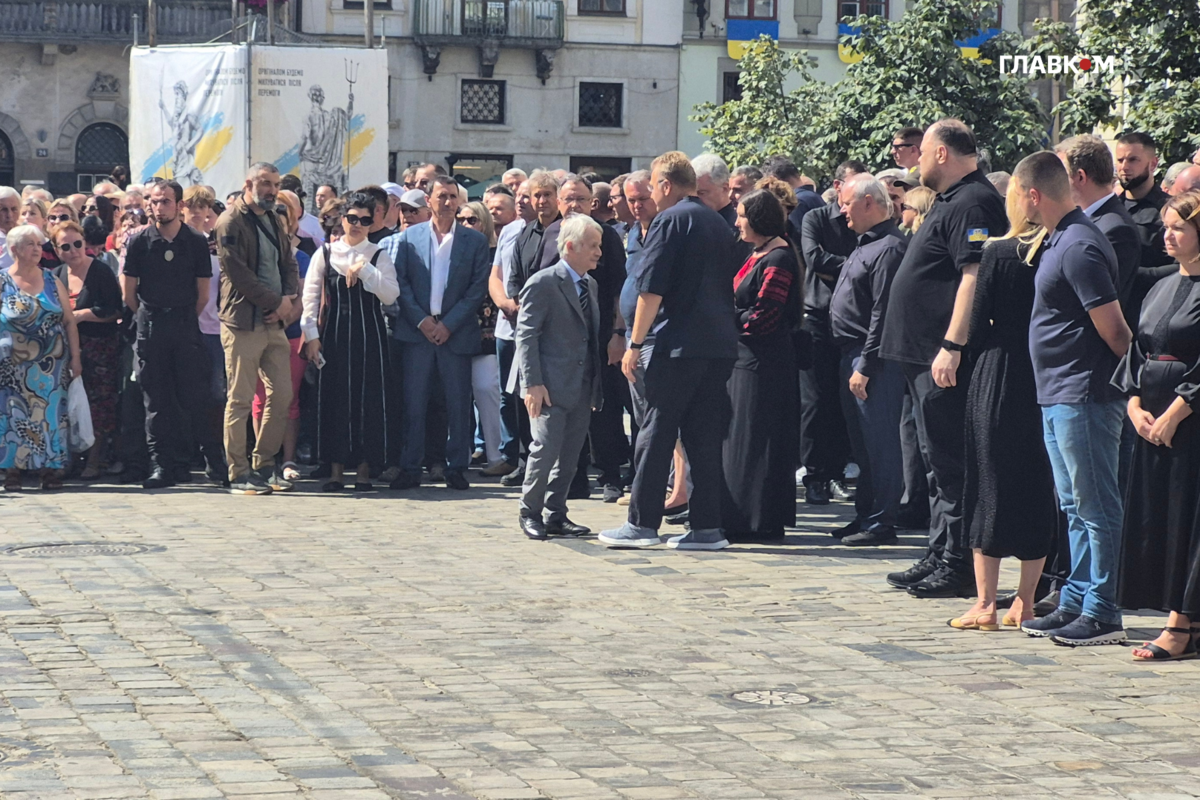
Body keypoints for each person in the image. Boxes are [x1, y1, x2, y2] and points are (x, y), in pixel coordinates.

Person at [880, 119, 1009, 599]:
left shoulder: (974, 200)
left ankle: (958, 564)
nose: (914, 160)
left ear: (941, 153)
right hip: (921, 355)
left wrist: (953, 346)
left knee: (952, 465)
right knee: (935, 463)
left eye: (922, 151)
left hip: (942, 356)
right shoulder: (951, 199)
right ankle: (940, 552)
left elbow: (973, 277)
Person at [1010, 151, 1131, 647]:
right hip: (1059, 393)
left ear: (1033, 195)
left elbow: (1115, 331)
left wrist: (1133, 387)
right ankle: (1077, 599)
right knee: (1075, 505)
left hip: (1084, 393)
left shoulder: (1079, 244)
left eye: (1017, 195)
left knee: (1096, 505)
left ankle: (1102, 610)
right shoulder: (1059, 238)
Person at [599, 151, 739, 551]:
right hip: (717, 345)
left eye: (653, 187)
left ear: (665, 184)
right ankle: (707, 527)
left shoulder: (669, 220)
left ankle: (642, 524)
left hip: (676, 346)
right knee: (702, 436)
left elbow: (652, 288)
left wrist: (634, 343)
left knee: (655, 432)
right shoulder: (716, 221)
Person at [948, 182, 1058, 631]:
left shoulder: (997, 251)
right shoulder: (1054, 248)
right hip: (1042, 371)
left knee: (986, 481)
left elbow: (977, 322)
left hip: (998, 369)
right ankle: (1025, 602)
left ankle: (986, 603)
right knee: (1035, 482)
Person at [1114, 190, 1200, 661]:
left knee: (1189, 518)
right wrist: (1133, 404)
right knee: (1161, 517)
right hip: (1151, 419)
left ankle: (1179, 625)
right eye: (1165, 227)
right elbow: (1138, 350)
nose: (1167, 236)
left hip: (1190, 422)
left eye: (1178, 228)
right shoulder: (1161, 285)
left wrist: (1176, 411)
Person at [384, 175, 491, 491]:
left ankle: (456, 467)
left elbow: (477, 288)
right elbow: (401, 282)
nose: (447, 202)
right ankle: (410, 467)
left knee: (457, 405)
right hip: (417, 334)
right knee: (414, 404)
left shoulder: (474, 241)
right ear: (428, 200)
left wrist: (448, 324)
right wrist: (422, 321)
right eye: (441, 196)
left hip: (455, 333)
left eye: (452, 197)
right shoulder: (409, 237)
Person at [301, 190, 399, 491]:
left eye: (364, 220)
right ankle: (335, 472)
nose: (357, 225)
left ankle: (364, 473)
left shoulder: (379, 254)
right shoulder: (325, 253)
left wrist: (365, 269)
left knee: (368, 401)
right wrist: (312, 337)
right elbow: (310, 298)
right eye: (352, 218)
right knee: (335, 401)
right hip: (334, 335)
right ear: (342, 219)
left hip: (370, 338)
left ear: (372, 223)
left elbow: (390, 295)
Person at [122, 180, 217, 490]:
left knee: (194, 396)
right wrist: (150, 316)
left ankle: (210, 462)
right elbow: (129, 293)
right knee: (156, 400)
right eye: (154, 201)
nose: (158, 207)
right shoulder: (139, 241)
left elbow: (203, 293)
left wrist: (182, 316)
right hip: (151, 324)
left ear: (179, 205)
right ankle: (160, 464)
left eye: (165, 201)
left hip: (184, 322)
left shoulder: (195, 241)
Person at [829, 174, 908, 546]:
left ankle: (881, 521)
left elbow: (883, 312)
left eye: (846, 203)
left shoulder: (889, 248)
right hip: (851, 354)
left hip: (871, 358)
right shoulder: (865, 244)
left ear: (868, 202)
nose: (841, 210)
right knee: (862, 445)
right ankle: (866, 514)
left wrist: (866, 365)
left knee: (880, 443)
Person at [515, 214, 605, 540]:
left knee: (570, 455)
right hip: (548, 385)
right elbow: (527, 335)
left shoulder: (589, 284)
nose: (598, 252)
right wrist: (532, 383)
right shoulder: (543, 283)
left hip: (581, 384)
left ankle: (556, 513)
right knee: (545, 450)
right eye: (592, 246)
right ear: (570, 246)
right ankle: (530, 511)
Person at [214, 163, 301, 495]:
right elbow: (238, 273)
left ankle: (264, 465)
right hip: (243, 321)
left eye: (276, 185)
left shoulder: (275, 218)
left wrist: (287, 299)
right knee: (239, 399)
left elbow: (289, 262)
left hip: (274, 321)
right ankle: (238, 473)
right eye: (265, 183)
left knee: (282, 395)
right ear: (248, 183)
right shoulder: (230, 221)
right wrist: (275, 302)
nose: (271, 190)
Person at [721, 189, 801, 542]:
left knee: (757, 441)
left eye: (742, 215)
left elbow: (765, 316)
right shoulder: (758, 254)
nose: (737, 222)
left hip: (764, 363)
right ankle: (737, 515)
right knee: (742, 439)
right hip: (745, 359)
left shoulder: (779, 258)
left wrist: (729, 316)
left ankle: (759, 520)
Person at [798, 160, 866, 506]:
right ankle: (815, 475)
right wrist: (857, 265)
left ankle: (837, 471)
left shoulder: (865, 219)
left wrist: (849, 266)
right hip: (817, 317)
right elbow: (815, 259)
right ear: (837, 187)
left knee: (844, 398)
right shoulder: (816, 218)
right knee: (815, 399)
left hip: (853, 319)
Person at [1, 225, 82, 490]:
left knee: (50, 415)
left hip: (51, 366)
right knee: (12, 414)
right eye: (30, 244)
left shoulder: (51, 279)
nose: (37, 249)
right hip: (11, 366)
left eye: (39, 244)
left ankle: (51, 470)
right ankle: (12, 470)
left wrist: (76, 358)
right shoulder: (2, 281)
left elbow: (69, 321)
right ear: (14, 250)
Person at [51, 220, 122, 480]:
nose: (73, 250)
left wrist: (82, 315)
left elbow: (115, 310)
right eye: (65, 247)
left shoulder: (100, 271)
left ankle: (95, 459)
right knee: (66, 404)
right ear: (57, 250)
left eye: (77, 243)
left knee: (98, 404)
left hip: (99, 348)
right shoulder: (56, 275)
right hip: (65, 349)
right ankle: (69, 458)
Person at [253, 191, 309, 484]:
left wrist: (283, 318)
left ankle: (287, 459)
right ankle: (263, 460)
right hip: (258, 331)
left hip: (291, 335)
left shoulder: (302, 257)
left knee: (288, 398)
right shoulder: (255, 254)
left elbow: (304, 299)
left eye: (283, 215)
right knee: (259, 399)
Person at [487, 182, 530, 478]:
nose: (524, 201)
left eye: (530, 196)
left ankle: (531, 458)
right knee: (507, 394)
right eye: (521, 196)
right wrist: (503, 302)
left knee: (530, 394)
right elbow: (496, 275)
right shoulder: (509, 232)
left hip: (532, 326)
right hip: (506, 327)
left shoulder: (552, 231)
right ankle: (510, 455)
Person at [458, 200, 504, 472]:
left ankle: (497, 455)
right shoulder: (453, 250)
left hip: (488, 334)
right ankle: (459, 456)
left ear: (484, 223)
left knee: (487, 390)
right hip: (455, 332)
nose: (465, 224)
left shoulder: (496, 254)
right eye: (461, 220)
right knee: (456, 397)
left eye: (471, 219)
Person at [1116, 132, 1172, 270]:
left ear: (1153, 164)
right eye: (1120, 160)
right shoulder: (1111, 208)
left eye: (1133, 160)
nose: (1124, 167)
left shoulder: (1169, 210)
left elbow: (1181, 265)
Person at [693, 154, 737, 228]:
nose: (694, 198)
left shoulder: (738, 226)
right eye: (691, 193)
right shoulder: (690, 221)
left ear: (725, 188)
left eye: (701, 193)